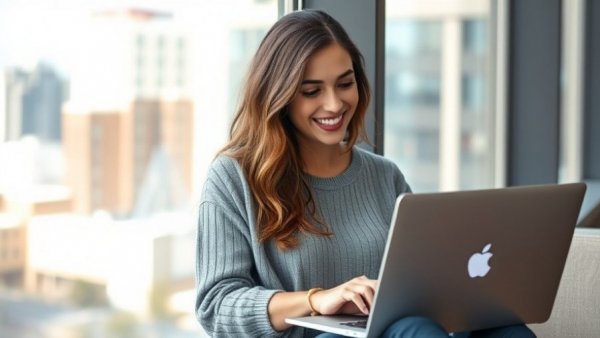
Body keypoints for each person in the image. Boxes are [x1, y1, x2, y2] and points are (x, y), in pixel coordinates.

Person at [195, 9, 536, 338]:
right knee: (412, 330)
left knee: (507, 331)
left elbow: (423, 280)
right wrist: (316, 300)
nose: (334, 104)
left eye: (345, 84)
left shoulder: (385, 177)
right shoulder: (233, 177)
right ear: (278, 96)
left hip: (396, 329)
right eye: (311, 91)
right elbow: (216, 305)